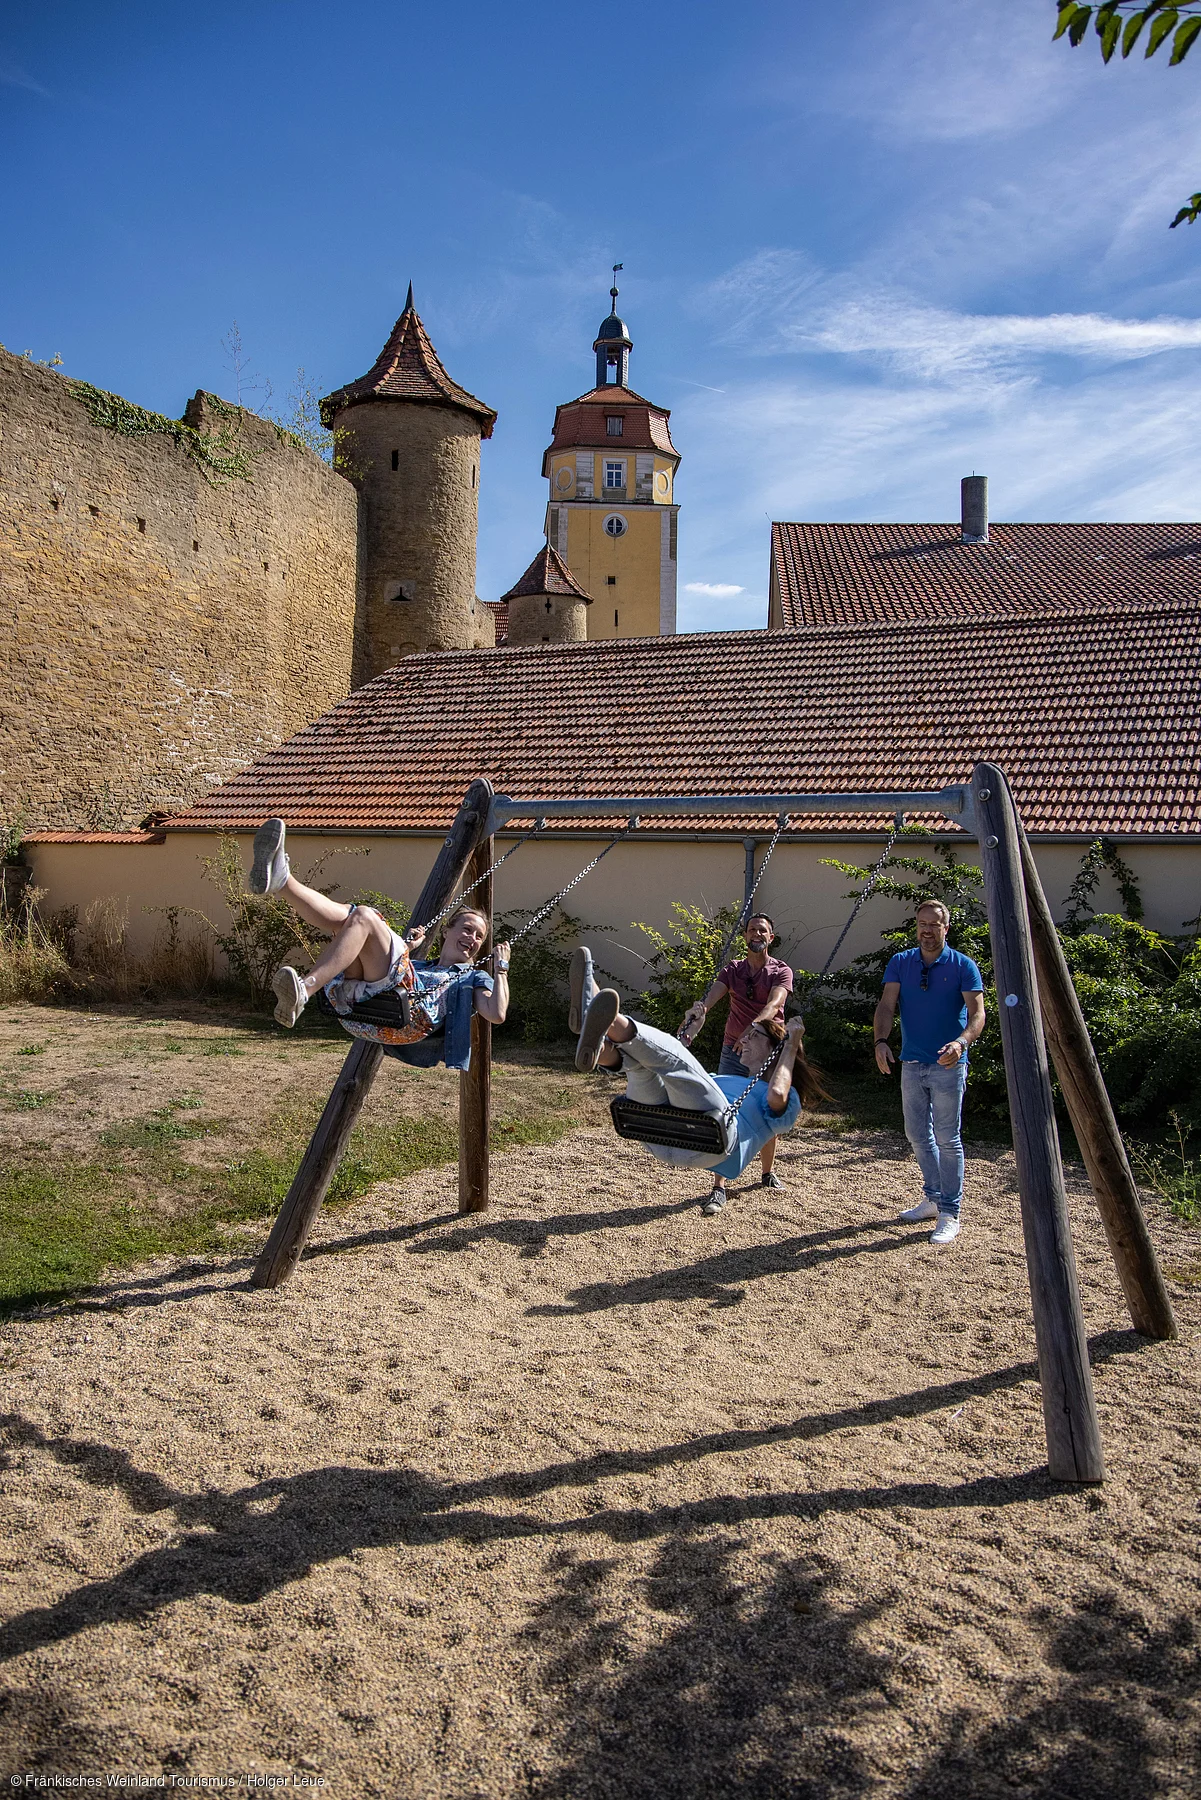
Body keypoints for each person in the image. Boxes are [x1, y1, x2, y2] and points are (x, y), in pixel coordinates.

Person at [571, 946, 826, 1215]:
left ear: (775, 1051)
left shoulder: (784, 1096)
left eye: (755, 1037)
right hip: (663, 1136)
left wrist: (792, 1043)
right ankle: (601, 1051)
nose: (745, 1040)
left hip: (713, 1141)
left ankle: (600, 1011)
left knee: (674, 1060)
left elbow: (775, 1094)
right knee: (642, 1067)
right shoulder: (726, 1079)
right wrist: (691, 1032)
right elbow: (674, 1072)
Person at [247, 817, 509, 1071]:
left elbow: (496, 1014)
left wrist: (501, 969)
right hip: (358, 1010)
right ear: (447, 932)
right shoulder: (422, 965)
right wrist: (407, 946)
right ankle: (281, 881)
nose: (472, 939)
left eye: (479, 937)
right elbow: (388, 966)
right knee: (351, 923)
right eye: (467, 929)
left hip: (405, 1023)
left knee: (363, 916)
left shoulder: (472, 978)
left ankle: (304, 989)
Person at [873, 900, 986, 1248]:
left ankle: (950, 1212)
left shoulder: (963, 966)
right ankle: (933, 1197)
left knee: (948, 1138)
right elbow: (887, 1004)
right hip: (912, 1062)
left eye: (934, 925)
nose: (927, 930)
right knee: (917, 1134)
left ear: (945, 928)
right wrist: (880, 1041)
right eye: (922, 923)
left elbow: (977, 1013)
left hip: (948, 1065)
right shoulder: (901, 962)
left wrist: (961, 1043)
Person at [678, 912, 795, 1189]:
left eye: (762, 931)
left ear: (771, 938)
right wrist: (697, 1013)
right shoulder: (733, 969)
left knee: (768, 1112)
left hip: (767, 1051)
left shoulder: (781, 971)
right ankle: (719, 1184)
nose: (757, 934)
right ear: (744, 936)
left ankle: (767, 1173)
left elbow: (774, 1006)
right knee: (725, 1113)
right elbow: (711, 998)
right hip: (733, 1050)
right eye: (752, 930)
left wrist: (752, 1029)